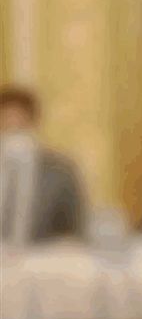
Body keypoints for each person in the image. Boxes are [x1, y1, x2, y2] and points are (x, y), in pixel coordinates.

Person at [0, 85, 85, 244]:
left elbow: (75, 231)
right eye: (6, 127)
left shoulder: (60, 172)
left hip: (43, 256)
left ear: (33, 124)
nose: (12, 136)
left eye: (19, 128)